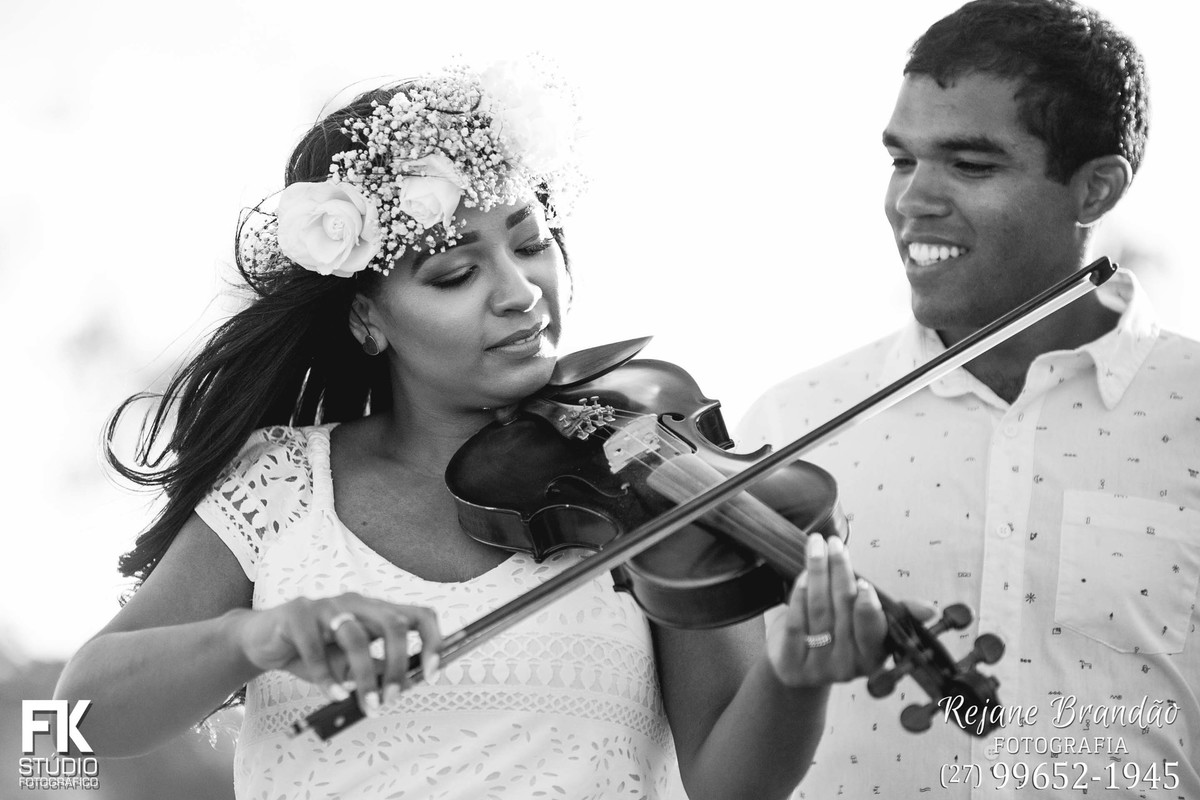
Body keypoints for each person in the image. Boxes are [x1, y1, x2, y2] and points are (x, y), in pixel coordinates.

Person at [54, 61, 893, 800]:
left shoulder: (645, 469)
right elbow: (74, 723)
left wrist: (796, 680)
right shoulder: (282, 485)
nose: (521, 293)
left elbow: (729, 781)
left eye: (531, 246)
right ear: (367, 320)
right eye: (455, 272)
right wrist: (253, 637)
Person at [737, 0, 1200, 796]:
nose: (914, 198)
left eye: (971, 165)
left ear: (1094, 189)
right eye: (902, 160)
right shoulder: (790, 426)